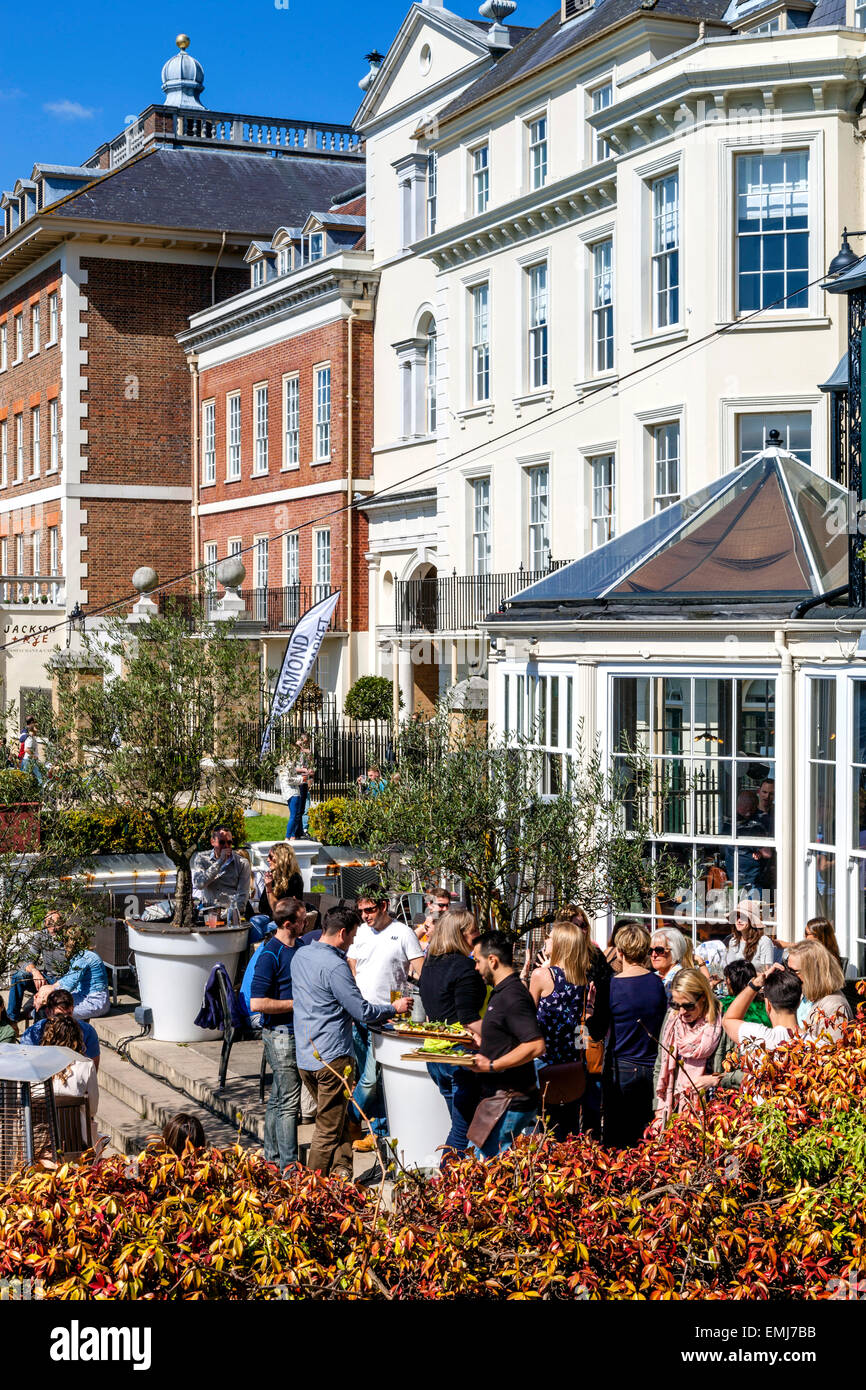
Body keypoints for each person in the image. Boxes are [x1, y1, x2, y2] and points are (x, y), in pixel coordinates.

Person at [292, 907, 411, 1182]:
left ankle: (341, 1171)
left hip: (306, 1056)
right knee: (327, 1128)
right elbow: (362, 1011)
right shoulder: (335, 966)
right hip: (332, 1059)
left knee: (339, 1119)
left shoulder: (301, 954)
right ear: (343, 933)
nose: (353, 943)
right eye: (353, 936)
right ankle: (312, 1189)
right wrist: (394, 1008)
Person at [348, 890, 424, 1153]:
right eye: (361, 911)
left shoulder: (403, 932)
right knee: (370, 1079)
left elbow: (419, 967)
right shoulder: (360, 932)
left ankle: (347, 1119)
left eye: (369, 910)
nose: (365, 916)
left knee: (370, 1081)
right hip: (360, 1013)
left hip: (389, 1015)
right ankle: (378, 1130)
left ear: (384, 906)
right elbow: (352, 960)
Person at [467, 933, 545, 1158]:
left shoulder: (513, 996)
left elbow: (536, 1045)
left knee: (479, 1171)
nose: (476, 968)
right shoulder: (502, 992)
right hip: (500, 1098)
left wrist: (492, 1064)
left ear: (492, 960)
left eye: (477, 961)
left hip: (510, 1100)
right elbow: (507, 1033)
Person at [417, 910, 486, 1154]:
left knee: (460, 1127)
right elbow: (468, 1017)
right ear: (461, 934)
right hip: (459, 1054)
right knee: (462, 1132)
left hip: (435, 1055)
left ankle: (458, 1183)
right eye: (474, 931)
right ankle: (447, 1183)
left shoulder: (430, 964)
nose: (478, 936)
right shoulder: (465, 967)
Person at [249, 897, 307, 1174]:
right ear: (288, 924)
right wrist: (297, 1004)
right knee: (289, 1101)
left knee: (278, 1096)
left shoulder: (302, 946)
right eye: (302, 919)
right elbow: (257, 1003)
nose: (306, 923)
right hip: (281, 1034)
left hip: (294, 1032)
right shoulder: (269, 955)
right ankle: (289, 1166)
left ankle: (271, 1157)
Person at [603, 924, 668, 1148]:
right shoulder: (657, 984)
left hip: (621, 1066)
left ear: (620, 952)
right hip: (651, 1066)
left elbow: (597, 1029)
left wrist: (591, 1012)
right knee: (645, 1137)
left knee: (616, 1140)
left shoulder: (613, 985)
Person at [529, 919, 593, 1139]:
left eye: (550, 937)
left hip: (544, 1061)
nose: (546, 940)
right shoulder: (582, 977)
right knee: (569, 1131)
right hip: (571, 1062)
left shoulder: (542, 975)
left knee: (543, 1131)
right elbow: (580, 1025)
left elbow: (527, 1013)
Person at [654, 969, 721, 1126]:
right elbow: (659, 1066)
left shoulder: (720, 1023)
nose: (682, 1012)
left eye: (689, 1006)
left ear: (703, 998)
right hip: (673, 1108)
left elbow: (737, 1071)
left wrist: (714, 1080)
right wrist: (657, 1105)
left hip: (711, 1110)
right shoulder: (672, 1018)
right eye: (676, 1004)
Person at [40, 1014, 99, 1147]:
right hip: (77, 1142)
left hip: (41, 1142)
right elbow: (93, 1109)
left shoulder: (35, 1067)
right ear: (77, 1037)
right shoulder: (86, 1065)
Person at [721, 965, 802, 1053]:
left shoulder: (759, 1038)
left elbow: (728, 1020)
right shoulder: (816, 1044)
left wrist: (755, 984)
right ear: (799, 1002)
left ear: (768, 1004)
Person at [34, 928, 110, 1020]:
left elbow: (68, 985)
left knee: (51, 1011)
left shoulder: (84, 958)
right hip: (82, 995)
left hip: (94, 1001)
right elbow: (67, 979)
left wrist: (44, 997)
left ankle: (43, 1032)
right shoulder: (81, 954)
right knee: (46, 1007)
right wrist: (44, 991)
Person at [786, 938, 854, 1042]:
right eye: (787, 968)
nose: (788, 974)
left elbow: (831, 1052)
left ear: (813, 973)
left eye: (792, 971)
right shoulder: (805, 993)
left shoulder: (835, 1008)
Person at [6, 909, 66, 1023]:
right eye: (49, 923)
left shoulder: (68, 938)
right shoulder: (41, 936)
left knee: (39, 1007)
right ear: (45, 923)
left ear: (62, 923)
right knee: (19, 976)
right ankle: (12, 1019)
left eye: (56, 923)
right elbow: (27, 959)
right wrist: (34, 971)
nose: (53, 927)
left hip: (64, 981)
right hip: (47, 978)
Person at [23, 988, 101, 1067]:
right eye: (59, 1015)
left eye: (69, 1014)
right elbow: (27, 1066)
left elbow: (93, 1067)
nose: (65, 1019)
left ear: (73, 1010)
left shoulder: (87, 1031)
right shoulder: (32, 1034)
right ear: (47, 1012)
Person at [191, 824, 252, 918]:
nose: (226, 846)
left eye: (229, 842)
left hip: (231, 914)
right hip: (209, 913)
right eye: (222, 842)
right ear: (212, 842)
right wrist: (219, 862)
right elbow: (199, 884)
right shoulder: (202, 858)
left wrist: (226, 915)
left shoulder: (242, 863)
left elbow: (242, 896)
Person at [726, 900, 774, 969]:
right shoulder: (733, 941)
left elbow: (767, 972)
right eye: (737, 916)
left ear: (752, 920)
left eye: (743, 917)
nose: (739, 920)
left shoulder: (764, 942)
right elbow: (729, 968)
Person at [649, 926, 693, 1001]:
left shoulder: (683, 979)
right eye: (650, 950)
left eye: (659, 950)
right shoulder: (651, 977)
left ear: (675, 951)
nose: (653, 955)